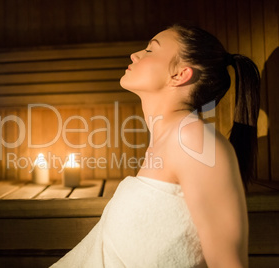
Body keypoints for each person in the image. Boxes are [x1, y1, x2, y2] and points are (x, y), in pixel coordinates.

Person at [51, 24, 260, 267]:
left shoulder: (194, 141)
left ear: (180, 74)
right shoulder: (171, 141)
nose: (135, 54)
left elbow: (229, 263)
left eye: (150, 50)